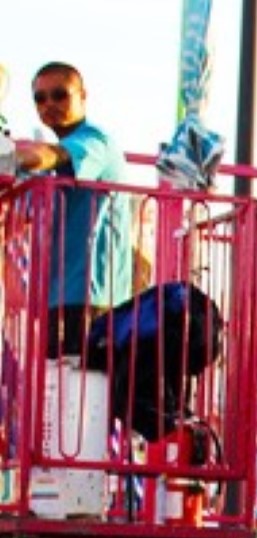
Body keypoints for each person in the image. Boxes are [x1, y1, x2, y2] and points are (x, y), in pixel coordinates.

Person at [12, 62, 133, 359]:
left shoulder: (94, 141)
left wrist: (10, 158)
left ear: (82, 96)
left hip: (92, 294)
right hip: (60, 294)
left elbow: (45, 156)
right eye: (40, 98)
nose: (49, 104)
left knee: (80, 389)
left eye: (59, 95)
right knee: (59, 390)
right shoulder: (60, 155)